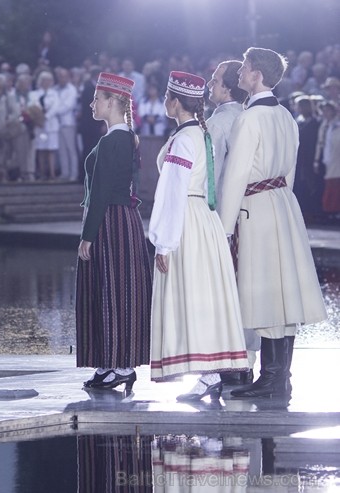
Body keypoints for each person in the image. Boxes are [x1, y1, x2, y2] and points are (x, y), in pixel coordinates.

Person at [219, 48, 327, 399]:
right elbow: (291, 172)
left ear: (257, 76)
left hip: (256, 207)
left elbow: (235, 176)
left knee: (265, 293)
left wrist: (224, 226)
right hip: (282, 204)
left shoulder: (250, 119)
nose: (239, 73)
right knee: (283, 293)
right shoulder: (285, 115)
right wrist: (279, 202)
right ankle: (280, 377)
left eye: (245, 68)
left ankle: (270, 378)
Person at [149, 71, 248, 401]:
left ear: (175, 102)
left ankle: (206, 372)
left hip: (187, 221)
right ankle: (210, 370)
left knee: (190, 294)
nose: (165, 102)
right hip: (204, 220)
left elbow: (173, 192)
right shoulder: (200, 134)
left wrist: (163, 242)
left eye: (166, 97)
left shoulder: (183, 139)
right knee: (204, 295)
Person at [76, 73, 152, 392]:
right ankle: (111, 363)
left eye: (97, 98)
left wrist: (88, 235)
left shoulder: (114, 140)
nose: (93, 103)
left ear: (111, 102)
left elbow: (103, 192)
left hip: (112, 221)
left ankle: (120, 365)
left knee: (114, 291)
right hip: (122, 219)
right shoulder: (124, 137)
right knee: (115, 290)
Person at [205, 60, 257, 386]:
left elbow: (210, 174)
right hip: (249, 213)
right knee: (245, 288)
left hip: (223, 216)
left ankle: (227, 362)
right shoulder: (248, 116)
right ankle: (245, 361)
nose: (210, 86)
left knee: (222, 291)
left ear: (226, 88)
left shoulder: (220, 122)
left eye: (214, 81)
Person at [319, 101, 340, 218]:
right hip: (328, 158)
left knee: (335, 185)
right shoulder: (326, 125)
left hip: (336, 159)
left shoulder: (336, 124)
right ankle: (330, 210)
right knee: (331, 185)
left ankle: (335, 211)